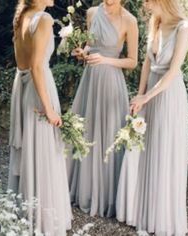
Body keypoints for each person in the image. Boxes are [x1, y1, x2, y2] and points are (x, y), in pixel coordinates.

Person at [116, 0, 188, 235]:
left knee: (163, 151)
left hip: (168, 97)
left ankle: (162, 217)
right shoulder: (155, 23)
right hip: (148, 95)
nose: (145, 4)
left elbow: (172, 71)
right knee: (143, 151)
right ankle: (141, 212)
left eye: (148, 0)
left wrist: (146, 97)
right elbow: (148, 63)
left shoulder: (184, 27)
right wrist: (139, 96)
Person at [66, 0, 139, 217]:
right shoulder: (91, 12)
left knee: (107, 134)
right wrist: (83, 52)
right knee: (86, 129)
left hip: (110, 81)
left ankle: (107, 196)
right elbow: (91, 46)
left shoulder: (130, 20)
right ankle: (84, 191)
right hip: (90, 80)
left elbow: (133, 61)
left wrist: (105, 59)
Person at [7, 0, 72, 234]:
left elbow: (23, 64)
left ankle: (26, 214)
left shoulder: (22, 18)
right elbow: (36, 66)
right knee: (43, 151)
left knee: (31, 150)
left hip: (23, 88)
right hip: (38, 90)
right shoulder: (43, 19)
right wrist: (49, 108)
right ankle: (43, 221)